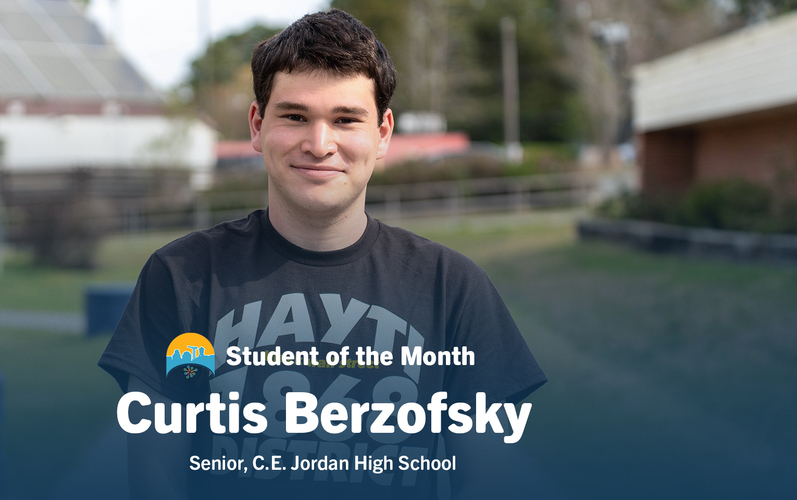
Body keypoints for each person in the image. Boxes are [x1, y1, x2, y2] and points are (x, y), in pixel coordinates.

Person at [99, 9, 546, 500]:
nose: (319, 144)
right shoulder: (183, 278)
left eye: (345, 119)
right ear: (257, 124)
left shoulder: (452, 287)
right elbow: (155, 477)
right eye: (295, 116)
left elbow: (482, 481)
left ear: (382, 133)